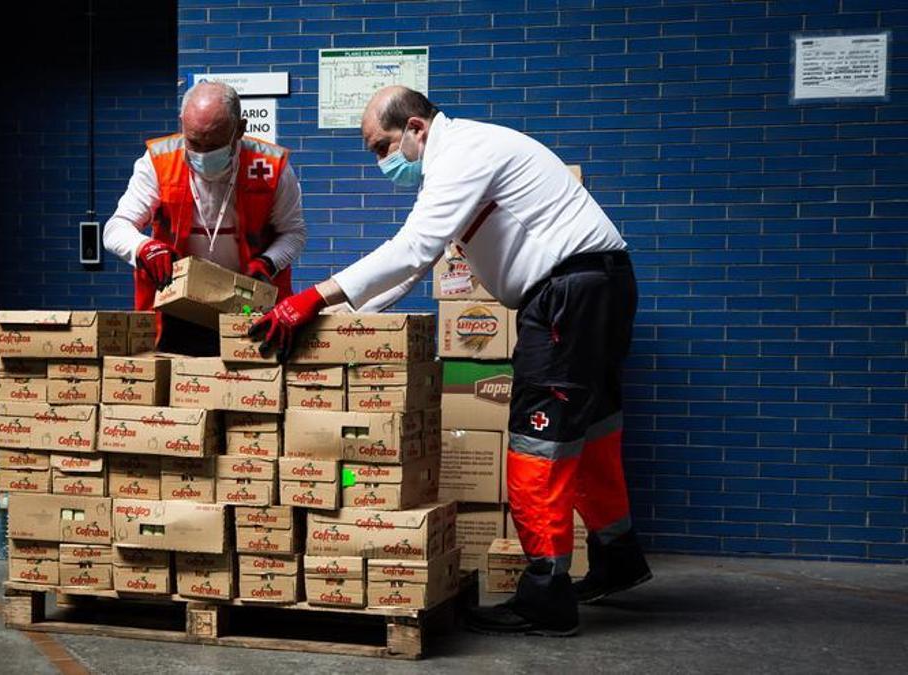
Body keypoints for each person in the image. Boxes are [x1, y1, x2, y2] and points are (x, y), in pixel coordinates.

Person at [248, 86, 651, 636]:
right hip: (597, 287)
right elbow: (419, 266)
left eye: (381, 147)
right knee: (593, 430)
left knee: (540, 442)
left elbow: (413, 248)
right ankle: (617, 557)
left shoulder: (461, 153)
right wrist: (344, 319)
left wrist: (311, 298)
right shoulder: (463, 156)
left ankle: (546, 597)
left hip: (566, 297)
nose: (381, 162)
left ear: (416, 127)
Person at [103, 81, 306, 354]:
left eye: (215, 144)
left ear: (240, 129)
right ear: (182, 124)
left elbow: (293, 232)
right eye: (194, 142)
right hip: (176, 306)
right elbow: (115, 228)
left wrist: (269, 262)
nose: (202, 153)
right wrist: (144, 248)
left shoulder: (270, 167)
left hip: (248, 305)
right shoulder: (157, 162)